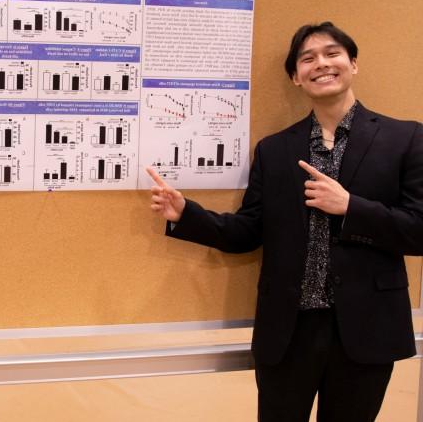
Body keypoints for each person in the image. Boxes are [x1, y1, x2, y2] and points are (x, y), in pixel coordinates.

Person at [147, 21, 423, 421]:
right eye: (307, 59)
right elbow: (248, 231)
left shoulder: (406, 139)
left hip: (367, 328)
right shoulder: (276, 149)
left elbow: (418, 229)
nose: (321, 64)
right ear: (296, 77)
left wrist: (350, 207)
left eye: (332, 54)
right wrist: (187, 213)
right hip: (290, 330)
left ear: (353, 64)